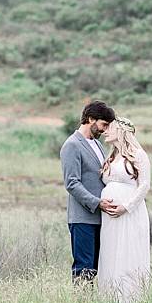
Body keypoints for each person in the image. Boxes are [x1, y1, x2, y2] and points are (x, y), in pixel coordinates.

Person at [59, 100, 117, 283]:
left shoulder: (98, 145)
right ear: (90, 118)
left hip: (101, 217)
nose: (104, 130)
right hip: (83, 218)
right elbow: (71, 183)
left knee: (99, 268)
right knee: (84, 268)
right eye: (103, 124)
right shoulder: (72, 145)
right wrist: (97, 202)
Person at [97, 116, 152, 303]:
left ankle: (130, 300)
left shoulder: (138, 154)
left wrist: (125, 207)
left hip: (130, 214)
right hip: (109, 218)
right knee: (110, 253)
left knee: (128, 253)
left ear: (120, 130)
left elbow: (144, 185)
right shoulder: (111, 156)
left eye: (109, 127)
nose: (105, 130)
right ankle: (110, 299)